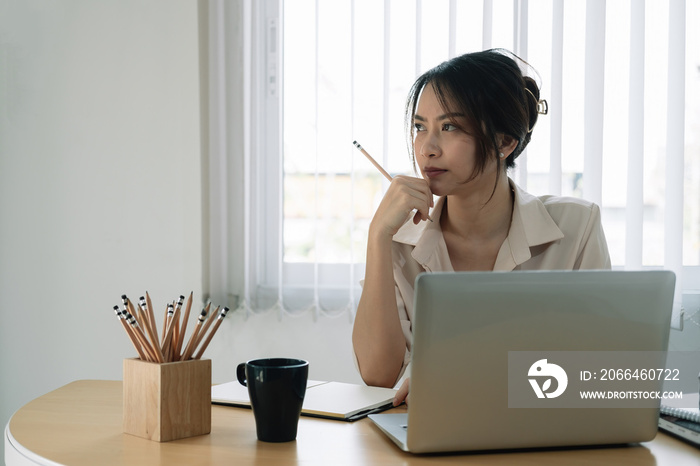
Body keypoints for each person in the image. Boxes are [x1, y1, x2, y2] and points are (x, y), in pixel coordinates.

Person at [351, 49, 611, 406]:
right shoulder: (398, 240)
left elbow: (600, 374)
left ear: (504, 142)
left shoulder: (576, 227)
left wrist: (471, 383)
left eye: (449, 127)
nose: (426, 148)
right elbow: (378, 376)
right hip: (430, 444)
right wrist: (378, 235)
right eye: (419, 127)